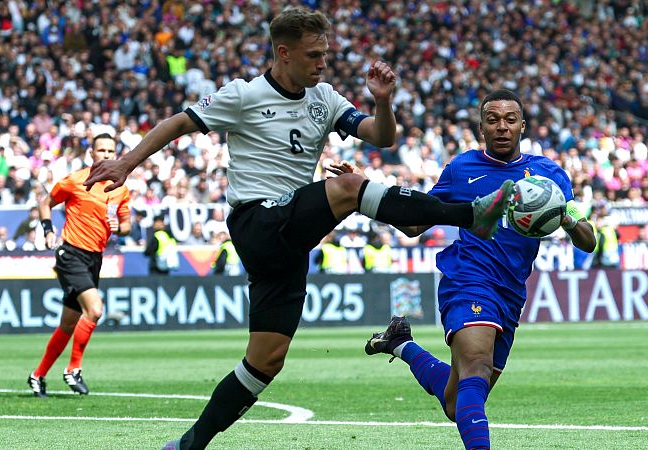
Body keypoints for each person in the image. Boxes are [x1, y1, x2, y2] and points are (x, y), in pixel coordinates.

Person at [82, 8, 512, 449]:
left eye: (325, 54)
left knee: (266, 360)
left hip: (290, 241)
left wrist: (382, 100)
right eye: (314, 55)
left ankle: (189, 443)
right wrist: (127, 162)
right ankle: (468, 215)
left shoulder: (323, 97)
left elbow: (381, 137)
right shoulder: (244, 95)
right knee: (346, 186)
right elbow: (179, 122)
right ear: (283, 53)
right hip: (257, 222)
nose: (322, 63)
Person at [363, 90, 597, 450]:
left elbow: (587, 240)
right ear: (481, 128)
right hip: (468, 279)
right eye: (492, 120)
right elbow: (414, 225)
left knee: (458, 401)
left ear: (522, 125)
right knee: (476, 368)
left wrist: (564, 214)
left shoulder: (550, 175)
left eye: (509, 119)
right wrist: (365, 195)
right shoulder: (461, 169)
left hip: (510, 291)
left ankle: (401, 344)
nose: (501, 127)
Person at [27, 133, 131, 398]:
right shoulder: (76, 180)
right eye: (101, 150)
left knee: (68, 323)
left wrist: (121, 228)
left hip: (95, 258)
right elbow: (45, 203)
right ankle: (73, 370)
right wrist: (48, 230)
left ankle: (37, 376)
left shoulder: (121, 187)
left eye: (110, 150)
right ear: (92, 154)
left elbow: (127, 225)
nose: (106, 155)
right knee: (95, 310)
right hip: (71, 253)